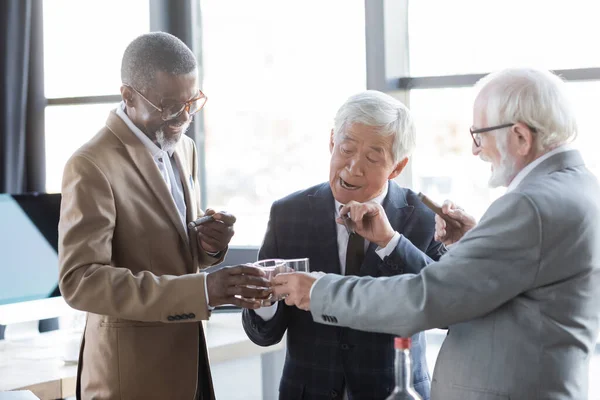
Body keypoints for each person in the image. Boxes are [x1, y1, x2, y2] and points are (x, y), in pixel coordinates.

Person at [272, 68, 600, 399]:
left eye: (479, 135)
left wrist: (319, 292)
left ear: (520, 136)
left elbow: (426, 298)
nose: (476, 150)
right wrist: (470, 243)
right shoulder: (577, 186)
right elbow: (508, 286)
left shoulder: (531, 204)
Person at [58, 32, 270, 400]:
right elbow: (81, 281)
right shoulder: (90, 165)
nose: (184, 117)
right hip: (130, 381)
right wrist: (203, 290)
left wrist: (209, 247)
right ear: (128, 96)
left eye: (192, 102)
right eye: (171, 106)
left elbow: (170, 248)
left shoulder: (182, 147)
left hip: (191, 368)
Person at [242, 90, 446, 399]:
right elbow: (263, 334)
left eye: (373, 157)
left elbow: (445, 304)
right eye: (346, 148)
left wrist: (391, 243)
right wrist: (266, 299)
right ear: (331, 142)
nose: (353, 167)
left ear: (397, 167)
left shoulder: (423, 217)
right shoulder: (288, 214)